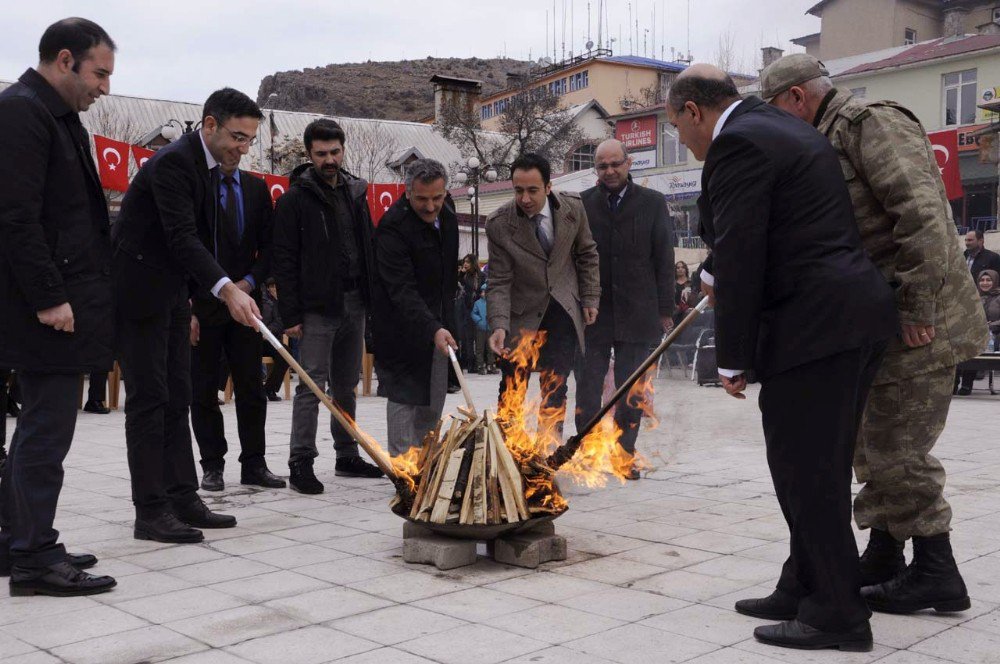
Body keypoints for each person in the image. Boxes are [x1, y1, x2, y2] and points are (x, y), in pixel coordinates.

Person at [668, 64, 898, 651]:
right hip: (851, 317)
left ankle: (837, 614)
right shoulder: (779, 128)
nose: (685, 142)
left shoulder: (738, 142)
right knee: (817, 466)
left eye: (678, 127)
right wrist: (712, 270)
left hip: (815, 327)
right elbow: (772, 226)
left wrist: (731, 358)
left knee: (807, 475)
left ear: (693, 111)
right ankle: (801, 584)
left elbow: (744, 248)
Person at [760, 52, 987, 615]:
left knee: (898, 450)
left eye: (776, 112)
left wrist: (916, 310)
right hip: (877, 321)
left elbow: (924, 218)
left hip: (921, 320)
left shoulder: (870, 124)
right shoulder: (825, 136)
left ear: (795, 98)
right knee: (870, 442)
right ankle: (885, 554)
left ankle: (938, 570)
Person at [0, 17, 118, 596]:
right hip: (42, 309)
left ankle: (22, 538)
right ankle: (33, 557)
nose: (105, 88)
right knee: (46, 433)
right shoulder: (22, 111)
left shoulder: (57, 116)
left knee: (38, 434)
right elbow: (17, 217)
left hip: (65, 301)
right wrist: (50, 299)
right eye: (99, 73)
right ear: (65, 60)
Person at [112, 88, 258, 543]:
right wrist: (225, 289)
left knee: (180, 394)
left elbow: (202, 242)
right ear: (209, 125)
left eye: (250, 140)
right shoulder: (175, 163)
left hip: (174, 294)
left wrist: (198, 298)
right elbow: (181, 237)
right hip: (139, 293)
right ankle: (150, 510)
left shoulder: (212, 168)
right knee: (149, 400)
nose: (243, 147)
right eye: (237, 136)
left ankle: (183, 496)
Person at [272, 119, 383, 494]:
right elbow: (283, 260)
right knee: (310, 387)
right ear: (309, 155)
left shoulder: (355, 193)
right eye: (321, 154)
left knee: (347, 385)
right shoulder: (294, 201)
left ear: (343, 150)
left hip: (355, 302)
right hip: (316, 309)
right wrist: (290, 315)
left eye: (335, 152)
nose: (329, 160)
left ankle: (346, 454)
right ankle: (300, 461)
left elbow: (367, 246)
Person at [188, 142, 283, 492]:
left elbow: (269, 247)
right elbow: (185, 246)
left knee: (251, 387)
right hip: (203, 304)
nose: (235, 151)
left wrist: (248, 283)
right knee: (203, 390)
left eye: (242, 145)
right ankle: (212, 464)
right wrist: (189, 305)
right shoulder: (199, 185)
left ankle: (254, 463)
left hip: (246, 304)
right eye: (230, 144)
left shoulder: (257, 189)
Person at [577, 139, 674, 477]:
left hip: (638, 311)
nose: (610, 171)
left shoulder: (652, 203)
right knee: (588, 387)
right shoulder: (582, 205)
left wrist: (665, 310)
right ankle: (587, 452)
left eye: (615, 164)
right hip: (594, 315)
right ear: (596, 169)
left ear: (628, 162)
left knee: (632, 388)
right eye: (602, 166)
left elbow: (664, 258)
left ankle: (623, 454)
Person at [486, 153, 600, 439]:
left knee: (556, 387)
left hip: (562, 311)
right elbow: (499, 279)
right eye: (518, 190)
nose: (524, 198)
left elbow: (587, 254)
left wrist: (590, 298)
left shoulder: (573, 210)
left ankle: (546, 457)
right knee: (512, 388)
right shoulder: (499, 223)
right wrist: (499, 324)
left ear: (548, 187)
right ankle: (508, 456)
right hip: (521, 317)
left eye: (532, 190)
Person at [370, 159, 459, 456]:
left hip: (438, 320)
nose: (431, 206)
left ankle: (425, 459)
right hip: (400, 324)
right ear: (407, 193)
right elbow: (401, 289)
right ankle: (402, 468)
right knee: (404, 395)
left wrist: (444, 322)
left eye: (437, 197)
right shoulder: (393, 227)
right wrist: (432, 327)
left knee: (433, 397)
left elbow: (448, 273)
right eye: (422, 199)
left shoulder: (448, 213)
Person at [956, 269, 1000, 393]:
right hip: (972, 333)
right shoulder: (972, 296)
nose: (985, 283)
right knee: (959, 346)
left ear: (995, 281)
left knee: (975, 347)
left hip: (994, 334)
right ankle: (954, 385)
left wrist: (991, 325)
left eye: (988, 280)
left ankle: (966, 385)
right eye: (982, 280)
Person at [260, 278, 290, 401]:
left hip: (271, 340)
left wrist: (268, 331)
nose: (275, 290)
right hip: (256, 339)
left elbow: (280, 324)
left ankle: (269, 388)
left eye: (277, 287)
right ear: (268, 288)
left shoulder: (282, 303)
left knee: (286, 354)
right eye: (273, 287)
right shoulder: (263, 302)